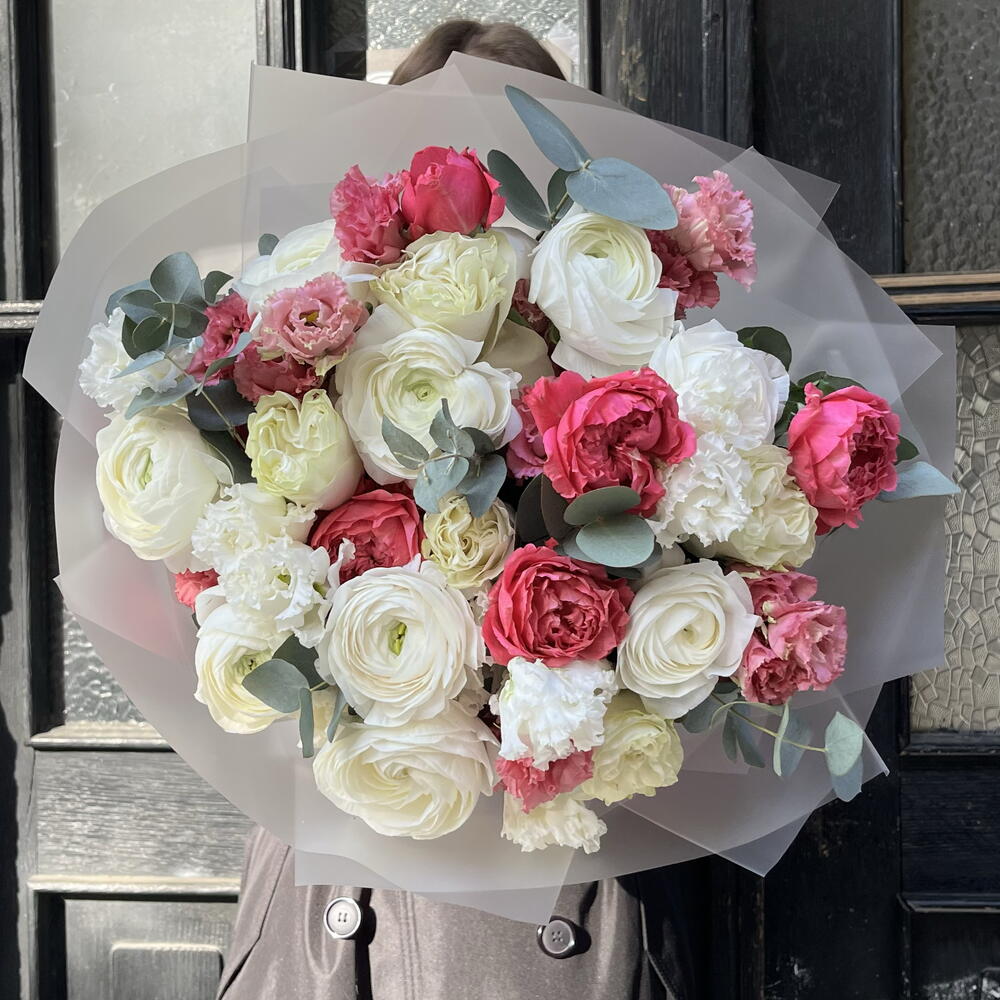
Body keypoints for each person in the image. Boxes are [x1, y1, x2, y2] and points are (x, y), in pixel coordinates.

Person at [217, 22, 701, 1000]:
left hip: (534, 857)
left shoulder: (627, 342)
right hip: (344, 843)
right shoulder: (323, 327)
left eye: (508, 148)